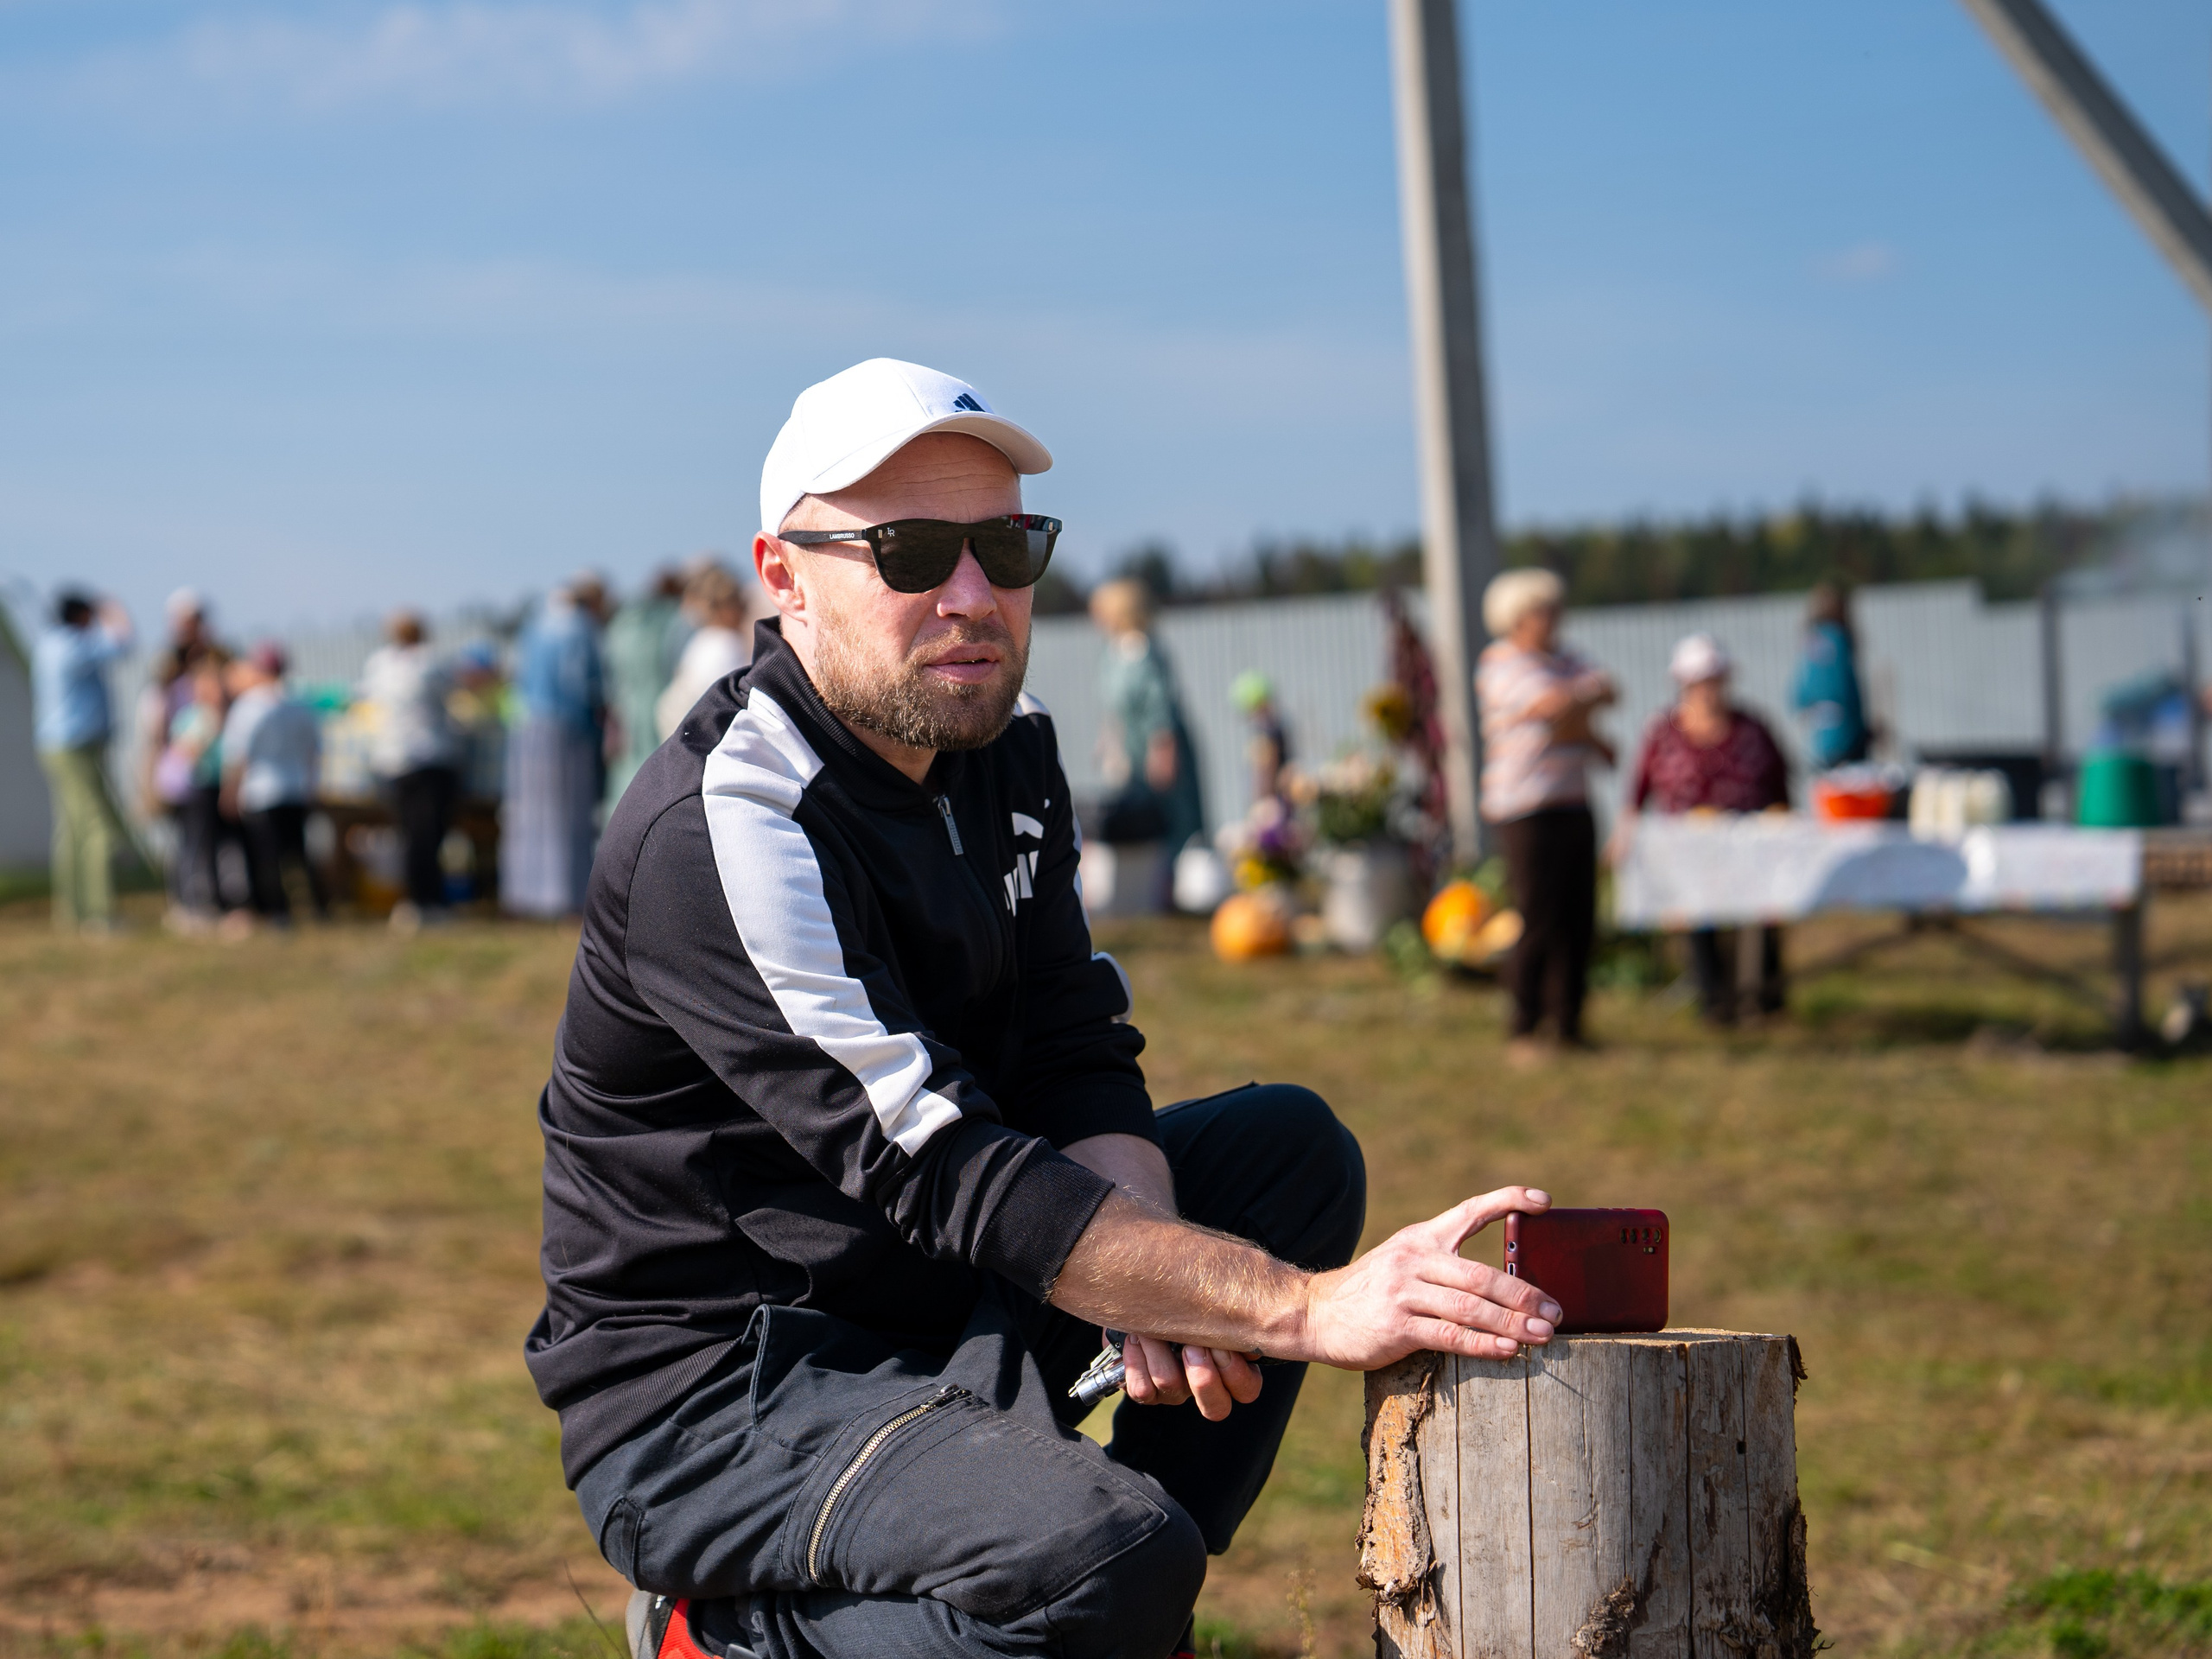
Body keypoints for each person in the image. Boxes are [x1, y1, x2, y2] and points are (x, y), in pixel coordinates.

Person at [526, 358, 1562, 1659]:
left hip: (940, 1293)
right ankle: (731, 1630)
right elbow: (938, 1159)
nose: (972, 595)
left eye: (1007, 548)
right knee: (1116, 1554)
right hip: (727, 1387)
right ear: (782, 577)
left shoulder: (1007, 747)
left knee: (1287, 1154)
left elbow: (1075, 1049)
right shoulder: (727, 824)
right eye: (910, 552)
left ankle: (1086, 1594)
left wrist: (1166, 1283)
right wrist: (1298, 1309)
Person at [1475, 567, 1618, 1059]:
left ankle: (1568, 1023)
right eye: (1543, 610)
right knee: (1538, 914)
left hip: (1573, 800)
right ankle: (1525, 1024)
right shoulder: (1501, 663)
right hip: (1525, 807)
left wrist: (1574, 713)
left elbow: (1607, 689)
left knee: (1578, 916)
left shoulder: (1565, 658)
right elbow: (1551, 708)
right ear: (1517, 617)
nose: (1554, 618)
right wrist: (1583, 716)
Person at [1620, 633, 1791, 1023]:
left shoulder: (1752, 729)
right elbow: (1638, 789)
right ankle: (1713, 999)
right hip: (1689, 850)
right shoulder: (1662, 731)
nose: (1709, 691)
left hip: (1748, 847)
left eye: (1715, 681)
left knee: (1757, 919)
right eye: (1699, 683)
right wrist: (1627, 833)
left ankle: (1763, 997)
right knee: (1698, 915)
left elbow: (1779, 785)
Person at [1090, 576, 1205, 904]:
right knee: (1137, 815)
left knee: (1171, 815)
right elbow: (1115, 708)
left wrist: (1163, 751)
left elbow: (1159, 705)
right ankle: (1142, 890)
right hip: (1132, 750)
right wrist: (1108, 744)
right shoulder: (1112, 652)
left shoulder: (1145, 651)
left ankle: (1174, 890)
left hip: (1158, 747)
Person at [502, 575, 609, 918]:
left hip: (526, 729)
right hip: (568, 728)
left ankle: (526, 893)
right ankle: (565, 894)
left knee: (529, 814)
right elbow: (585, 683)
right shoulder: (581, 628)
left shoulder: (533, 626)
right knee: (568, 814)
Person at [33, 589, 135, 933]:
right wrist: (113, 609)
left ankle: (71, 911)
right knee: (97, 827)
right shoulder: (75, 646)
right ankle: (99, 914)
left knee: (71, 828)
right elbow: (123, 643)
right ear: (81, 615)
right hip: (77, 746)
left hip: (55, 746)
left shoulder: (48, 644)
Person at [360, 611, 465, 931]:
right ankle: (430, 901)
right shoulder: (431, 662)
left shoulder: (379, 665)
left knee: (410, 833)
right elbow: (452, 697)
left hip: (394, 759)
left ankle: (417, 900)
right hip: (431, 757)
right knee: (430, 834)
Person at [220, 644, 328, 925]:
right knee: (300, 854)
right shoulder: (300, 702)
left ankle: (279, 912)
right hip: (296, 787)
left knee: (267, 857)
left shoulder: (248, 705)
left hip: (260, 790)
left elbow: (237, 754)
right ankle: (318, 908)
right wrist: (312, 785)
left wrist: (230, 790)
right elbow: (314, 749)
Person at [604, 568, 691, 810]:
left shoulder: (622, 622)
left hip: (625, 707)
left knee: (626, 771)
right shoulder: (672, 621)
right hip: (656, 704)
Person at [653, 561, 753, 741]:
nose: (744, 610)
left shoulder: (701, 640)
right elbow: (734, 706)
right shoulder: (727, 644)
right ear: (725, 607)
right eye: (739, 603)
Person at [1791, 582, 1870, 768]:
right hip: (1847, 736)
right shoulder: (1838, 638)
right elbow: (1844, 688)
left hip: (1820, 739)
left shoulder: (1811, 640)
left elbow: (1799, 694)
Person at [1230, 670, 1293, 804]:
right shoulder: (1277, 729)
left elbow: (1264, 775)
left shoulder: (1264, 737)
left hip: (1271, 805)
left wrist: (1260, 802)